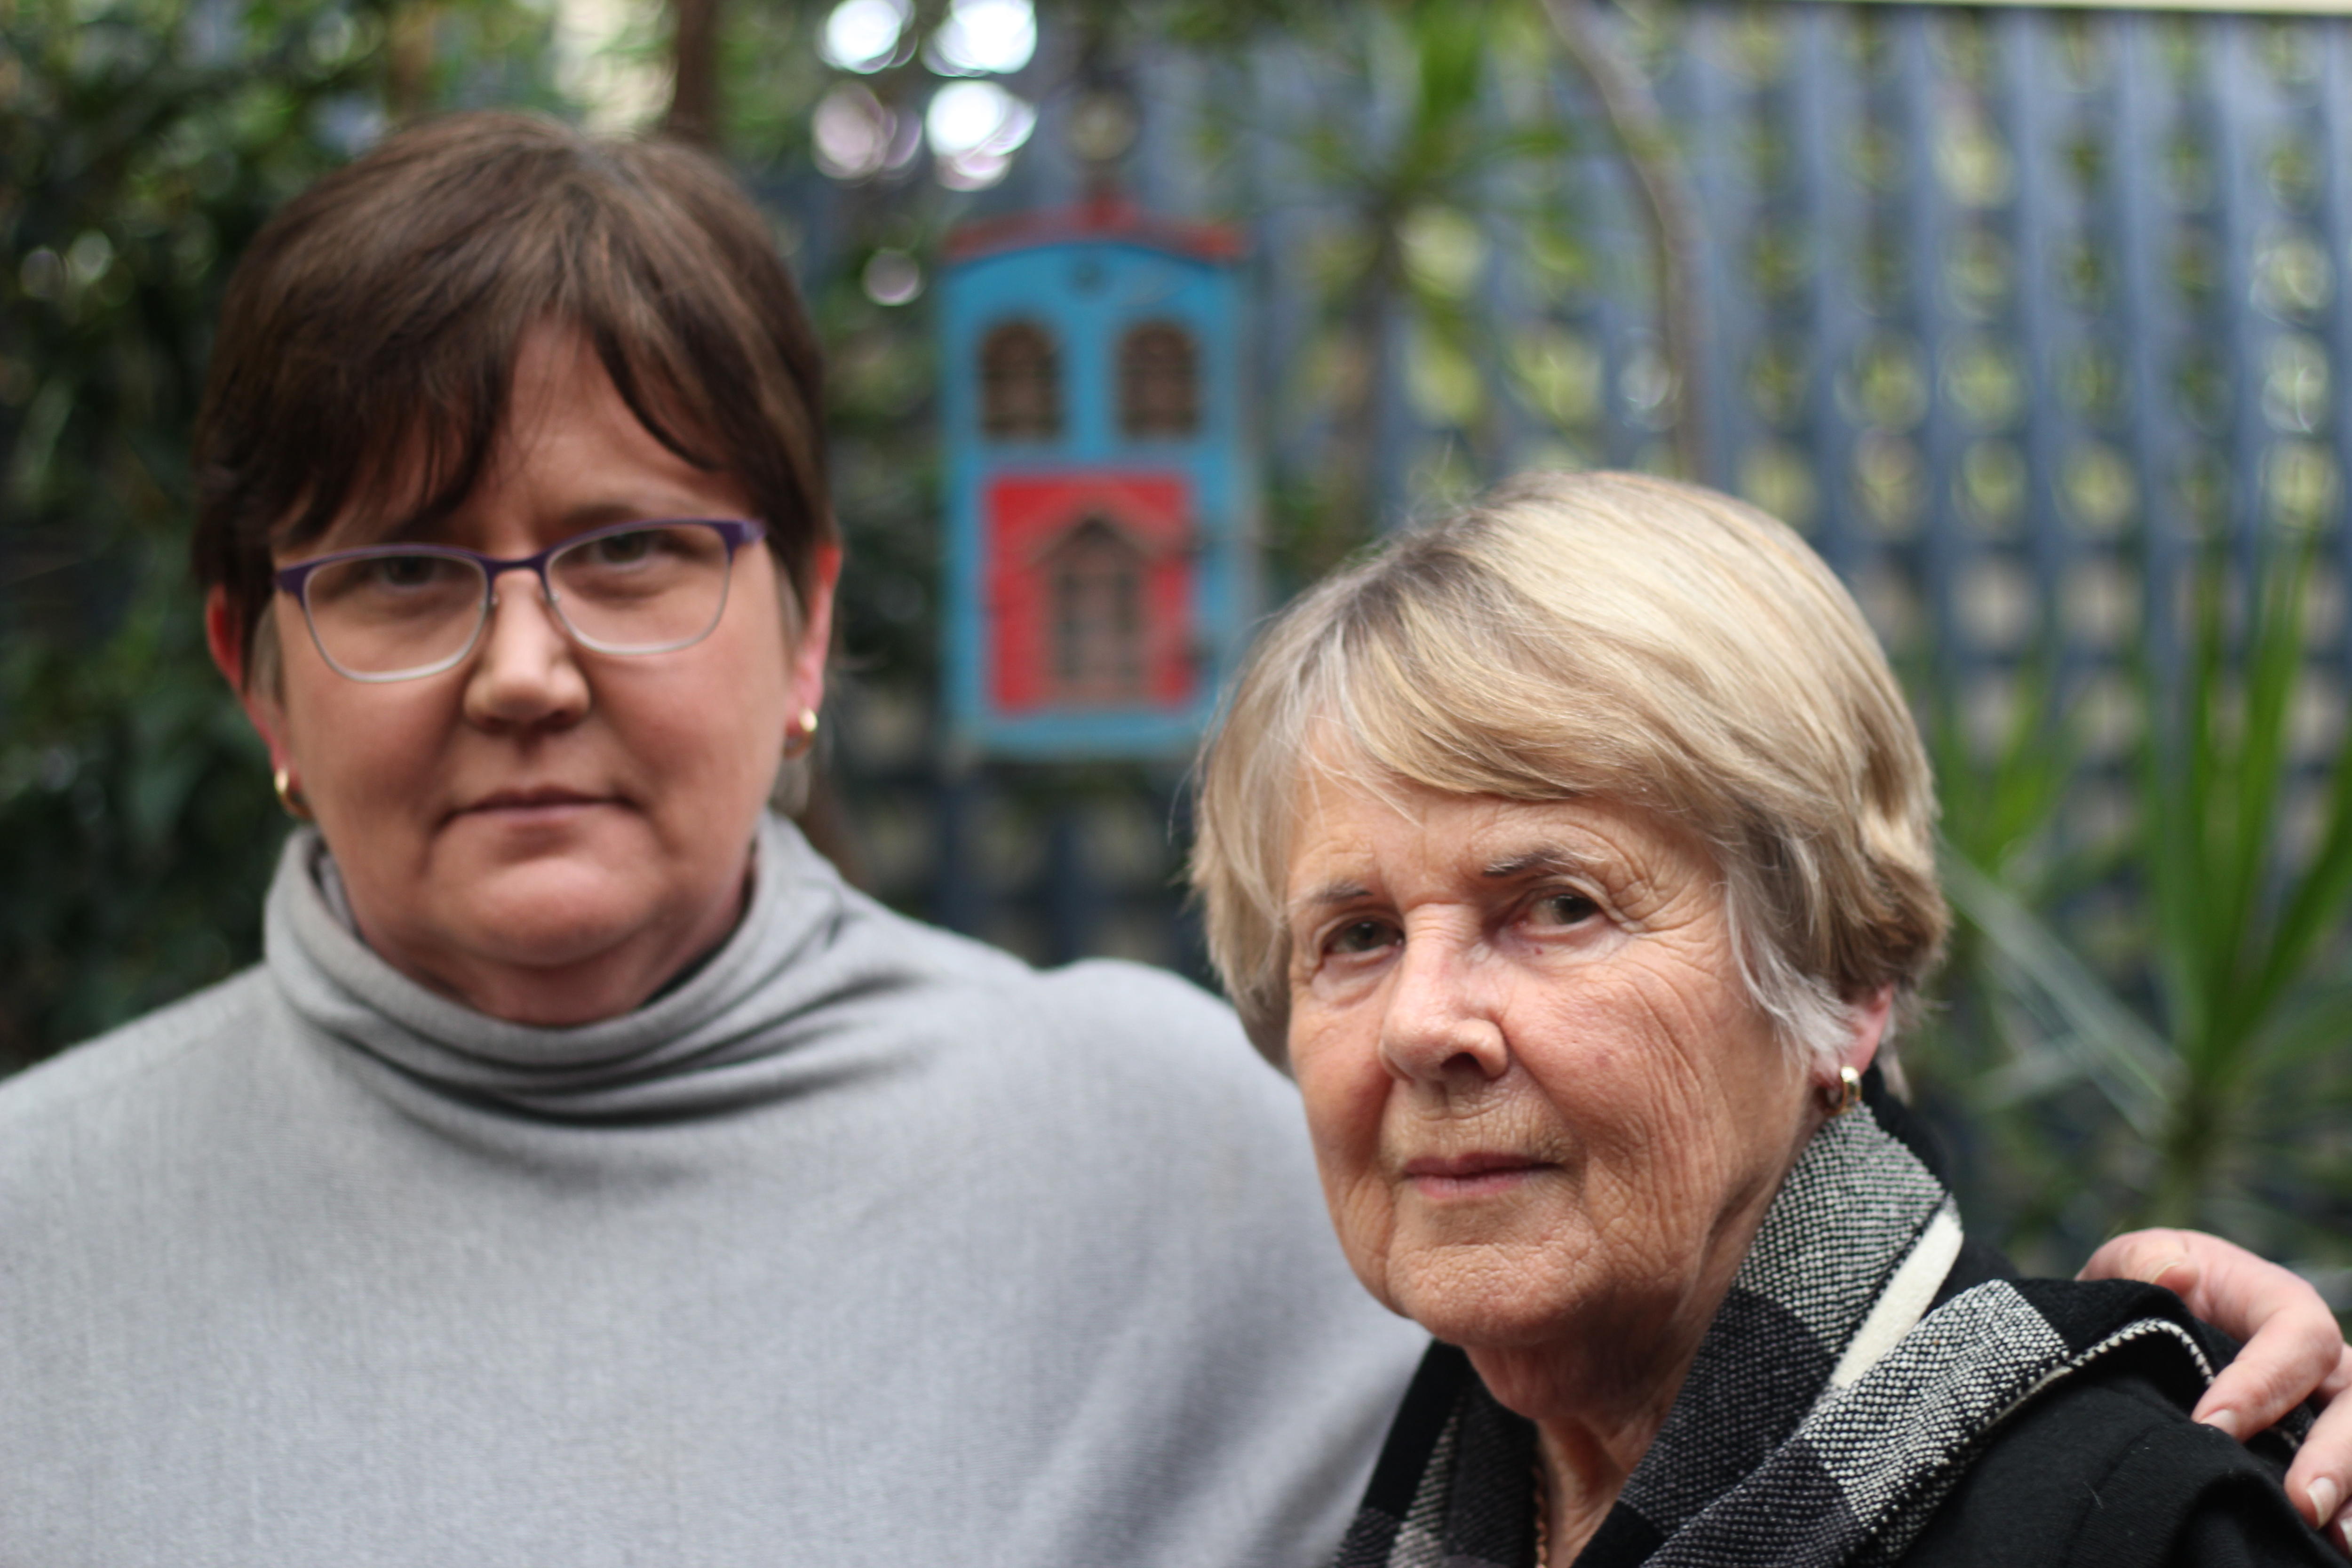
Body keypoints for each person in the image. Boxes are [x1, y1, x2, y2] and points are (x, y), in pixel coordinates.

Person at [0, 114, 2339, 1565]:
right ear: (251, 668)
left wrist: (2219, 1420)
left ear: (804, 622)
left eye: (629, 551)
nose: (526, 666)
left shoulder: (1169, 1146)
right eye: (402, 573)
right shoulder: (36, 1235)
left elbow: (1765, 1323)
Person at [1189, 469, 2352, 1567]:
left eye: (1558, 905)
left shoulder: (2140, 1522)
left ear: (1840, 982)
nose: (1419, 1023)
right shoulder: (1346, 1499)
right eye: (1359, 934)